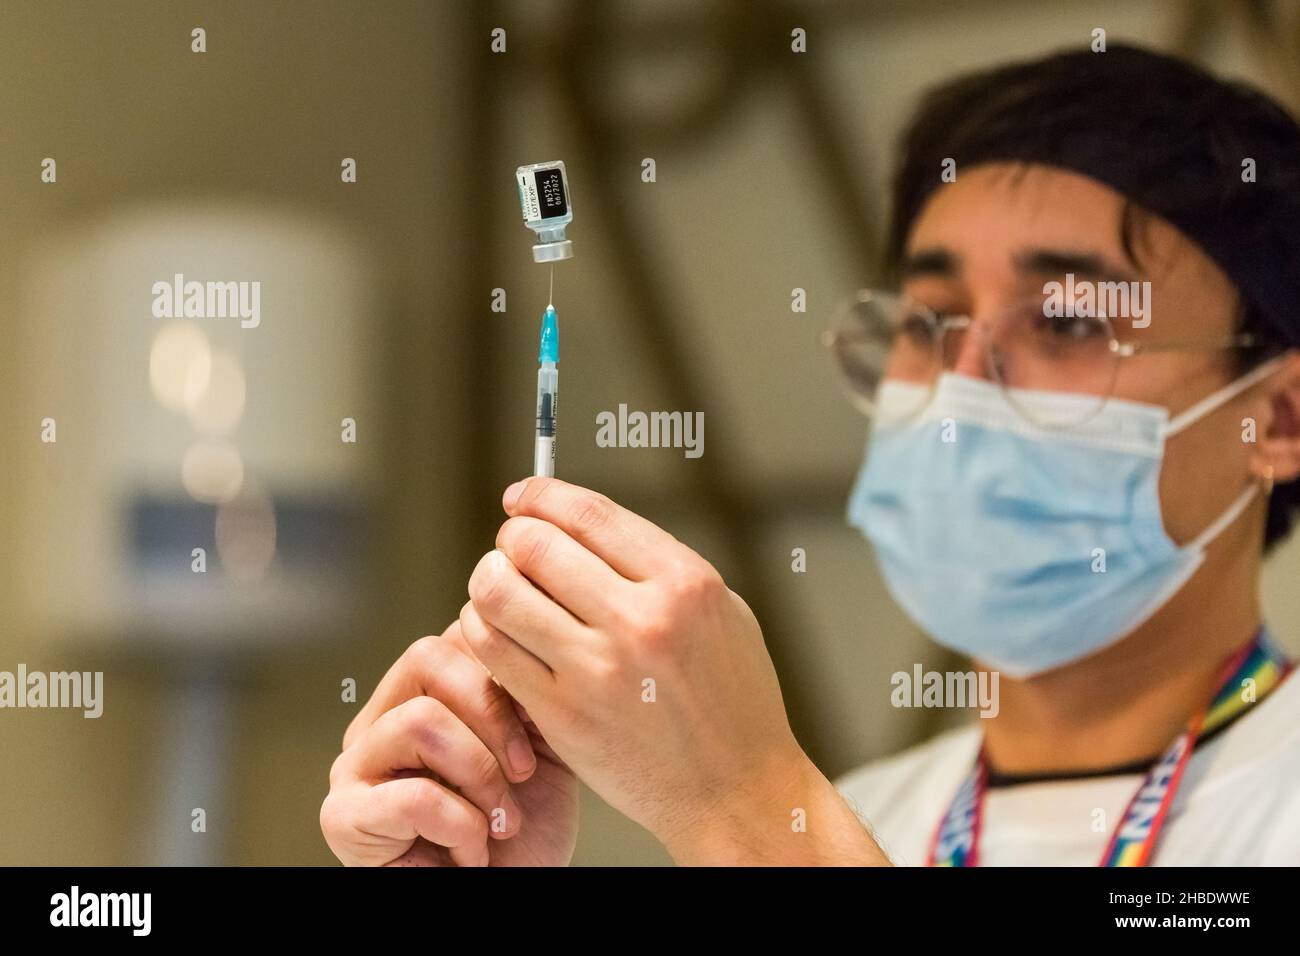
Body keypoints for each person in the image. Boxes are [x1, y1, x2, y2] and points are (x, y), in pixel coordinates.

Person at [320, 44, 1300, 866]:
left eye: (1065, 320)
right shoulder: (869, 812)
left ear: (1280, 415)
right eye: (929, 320)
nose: (958, 390)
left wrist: (741, 800)